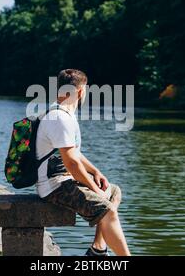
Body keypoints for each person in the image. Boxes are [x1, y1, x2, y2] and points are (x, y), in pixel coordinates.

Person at [35, 69, 131, 256]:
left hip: (64, 180)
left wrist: (96, 172)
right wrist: (94, 189)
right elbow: (72, 164)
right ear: (80, 92)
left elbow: (74, 153)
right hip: (53, 186)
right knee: (108, 208)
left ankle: (97, 250)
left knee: (113, 192)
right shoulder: (60, 118)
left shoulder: (63, 112)